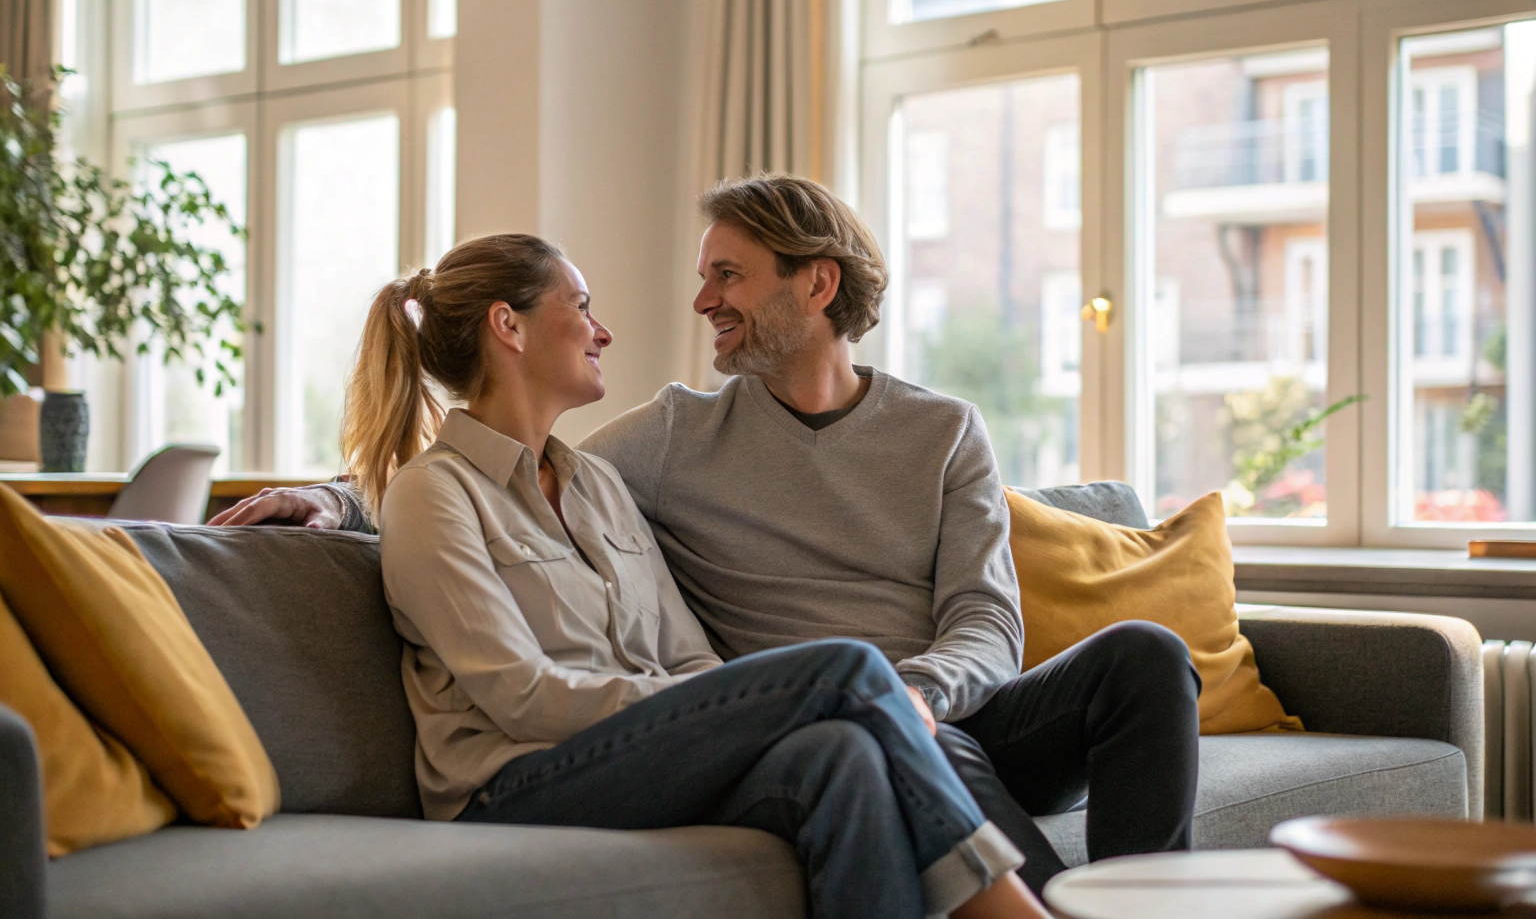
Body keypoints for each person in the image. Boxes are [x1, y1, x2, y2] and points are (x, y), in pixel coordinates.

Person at [213, 177, 1202, 893]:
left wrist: (918, 694)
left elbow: (988, 619)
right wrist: (335, 498)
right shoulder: (672, 435)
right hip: (806, 706)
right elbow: (468, 477)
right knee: (849, 717)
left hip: (935, 705)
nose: (699, 303)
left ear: (815, 285)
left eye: (727, 275)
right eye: (702, 277)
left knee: (1147, 659)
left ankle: (1136, 897)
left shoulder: (941, 432)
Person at [332, 232, 1049, 919]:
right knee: (847, 671)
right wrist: (697, 709)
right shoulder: (434, 493)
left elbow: (689, 656)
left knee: (844, 753)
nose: (602, 331)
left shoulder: (599, 485)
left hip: (640, 751)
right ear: (507, 327)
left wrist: (705, 711)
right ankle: (1012, 908)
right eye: (581, 307)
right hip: (511, 783)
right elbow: (522, 697)